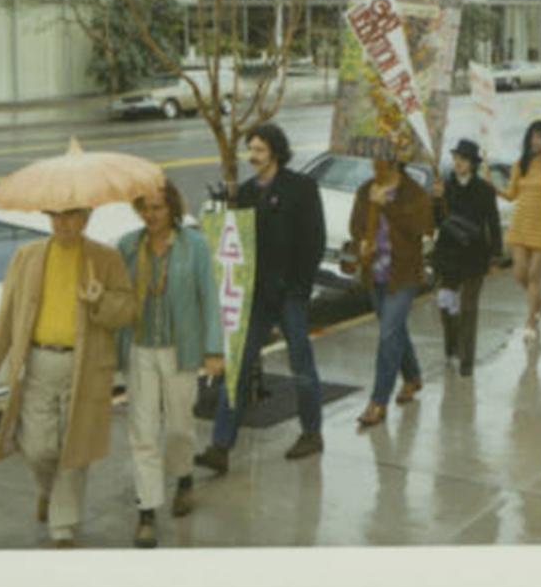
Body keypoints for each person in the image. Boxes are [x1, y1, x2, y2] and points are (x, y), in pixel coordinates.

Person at [0, 207, 135, 548]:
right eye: (56, 216)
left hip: (87, 367)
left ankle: (63, 527)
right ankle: (47, 490)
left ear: (86, 218)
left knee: (74, 449)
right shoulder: (26, 256)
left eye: (71, 216)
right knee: (40, 448)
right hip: (40, 363)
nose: (62, 223)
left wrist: (99, 298)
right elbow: (7, 316)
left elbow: (127, 310)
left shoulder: (105, 258)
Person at [195, 122, 327, 473]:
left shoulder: (301, 187)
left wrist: (300, 285)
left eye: (258, 150)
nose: (252, 157)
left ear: (275, 152)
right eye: (250, 150)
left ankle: (312, 432)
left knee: (301, 364)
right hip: (256, 295)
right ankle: (221, 445)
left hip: (290, 293)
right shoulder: (248, 192)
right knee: (236, 366)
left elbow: (314, 239)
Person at [116, 180, 224, 549]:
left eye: (158, 207)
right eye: (144, 207)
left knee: (179, 427)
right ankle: (146, 512)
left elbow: (209, 298)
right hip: (140, 349)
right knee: (142, 431)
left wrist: (213, 350)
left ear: (173, 209)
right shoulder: (129, 247)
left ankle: (183, 478)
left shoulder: (193, 245)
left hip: (182, 350)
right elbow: (116, 295)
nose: (151, 215)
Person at [348, 155, 434, 426]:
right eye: (373, 161)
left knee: (387, 334)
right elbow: (356, 225)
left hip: (404, 274)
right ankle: (412, 377)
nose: (375, 166)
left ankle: (378, 402)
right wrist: (362, 239)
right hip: (375, 273)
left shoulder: (413, 193)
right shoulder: (366, 191)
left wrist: (388, 207)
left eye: (380, 161)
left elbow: (424, 227)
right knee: (394, 329)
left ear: (394, 163)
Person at [430, 139, 502, 377]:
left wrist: (495, 255)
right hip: (448, 255)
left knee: (469, 308)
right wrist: (436, 200)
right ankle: (451, 345)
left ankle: (466, 360)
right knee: (445, 305)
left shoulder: (484, 189)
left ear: (472, 164)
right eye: (456, 158)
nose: (458, 163)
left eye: (463, 159)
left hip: (474, 256)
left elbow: (493, 223)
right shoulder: (445, 188)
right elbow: (436, 223)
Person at [496, 120, 541, 341]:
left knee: (534, 275)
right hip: (520, 222)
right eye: (532, 136)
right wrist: (492, 186)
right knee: (519, 273)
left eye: (539, 136)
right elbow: (511, 194)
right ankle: (537, 301)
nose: (535, 140)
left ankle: (530, 321)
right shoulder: (521, 163)